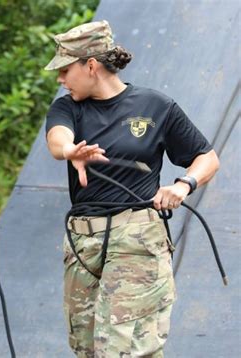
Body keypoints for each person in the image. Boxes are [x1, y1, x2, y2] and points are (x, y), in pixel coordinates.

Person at [44, 20, 220, 357]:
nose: (60, 79)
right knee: (86, 346)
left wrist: (184, 185)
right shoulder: (67, 106)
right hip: (83, 243)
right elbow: (58, 139)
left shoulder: (156, 106)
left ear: (91, 65)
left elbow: (206, 157)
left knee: (126, 348)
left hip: (136, 239)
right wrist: (71, 151)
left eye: (65, 70)